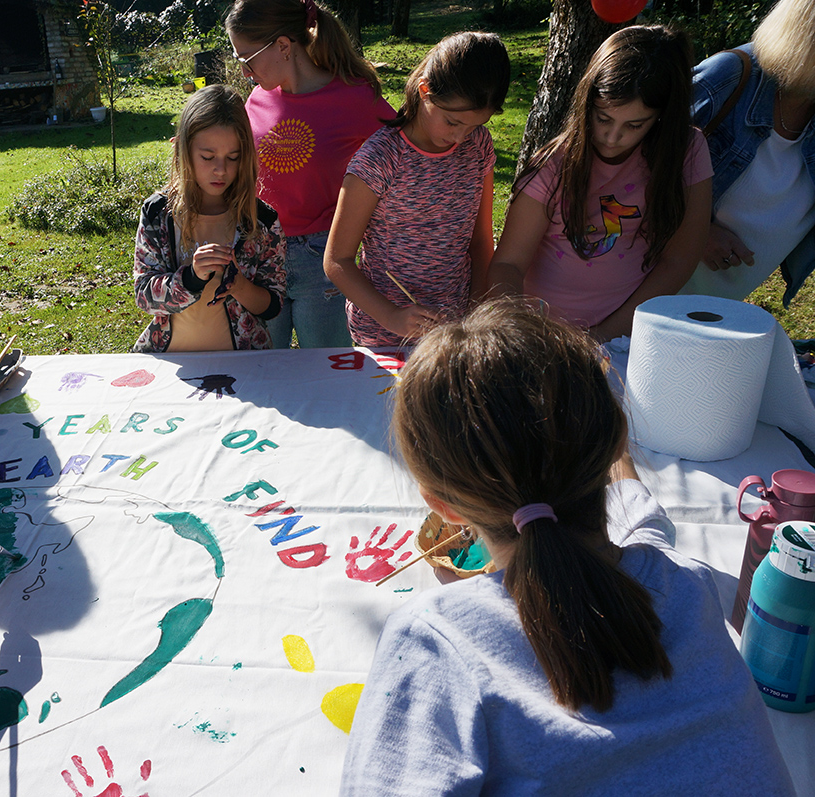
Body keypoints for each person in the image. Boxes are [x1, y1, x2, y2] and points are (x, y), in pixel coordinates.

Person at [340, 299, 793, 796]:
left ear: (441, 505)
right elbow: (645, 532)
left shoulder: (435, 637)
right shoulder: (689, 585)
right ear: (617, 439)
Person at [488, 26, 712, 341]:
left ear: (663, 117)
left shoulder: (686, 150)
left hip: (627, 336)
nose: (612, 137)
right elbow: (508, 264)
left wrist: (603, 336)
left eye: (635, 125)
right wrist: (518, 332)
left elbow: (679, 260)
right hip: (540, 337)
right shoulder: (554, 165)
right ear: (587, 102)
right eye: (603, 118)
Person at [226, 0, 395, 349]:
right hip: (259, 254)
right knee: (263, 370)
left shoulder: (355, 97)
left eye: (246, 59)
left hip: (324, 262)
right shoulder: (256, 99)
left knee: (327, 374)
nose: (244, 72)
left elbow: (404, 150)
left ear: (284, 47)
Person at [325, 32, 509, 346]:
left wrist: (476, 313)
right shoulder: (380, 159)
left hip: (456, 328)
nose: (460, 137)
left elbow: (480, 243)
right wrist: (391, 316)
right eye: (452, 122)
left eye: (475, 125)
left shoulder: (478, 148)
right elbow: (337, 261)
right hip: (385, 335)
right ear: (424, 90)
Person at [132, 85, 287, 353]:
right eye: (207, 157)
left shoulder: (261, 221)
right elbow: (145, 296)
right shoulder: (158, 214)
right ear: (182, 149)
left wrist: (238, 285)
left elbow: (272, 305)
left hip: (245, 368)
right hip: (173, 366)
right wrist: (191, 278)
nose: (221, 169)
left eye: (233, 157)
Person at [680, 0, 815, 302]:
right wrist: (696, 233)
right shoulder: (729, 75)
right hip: (640, 295)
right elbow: (635, 165)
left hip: (718, 313)